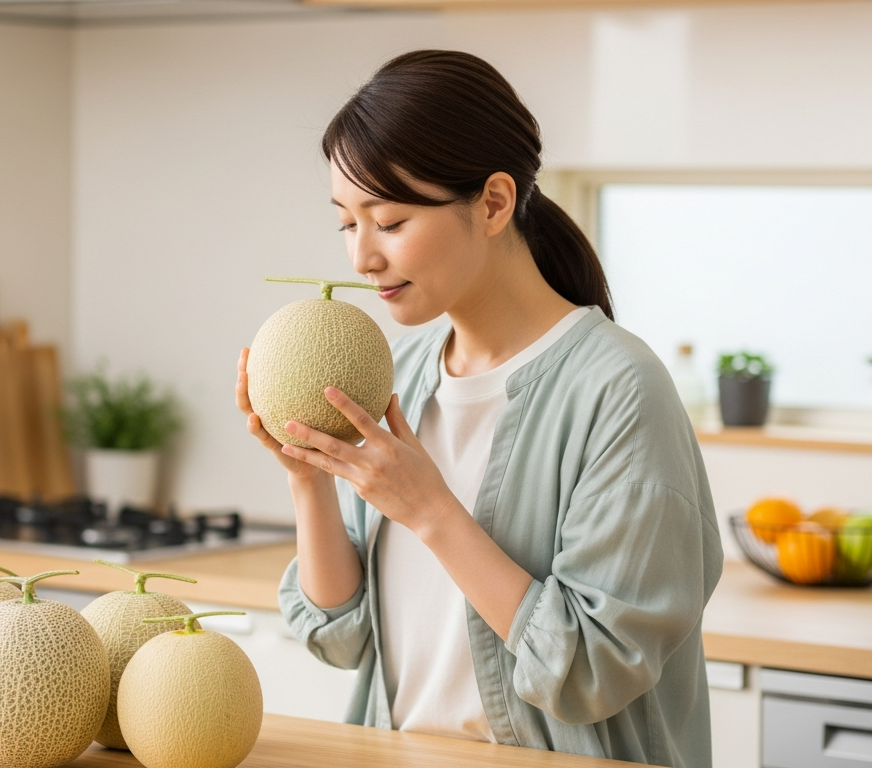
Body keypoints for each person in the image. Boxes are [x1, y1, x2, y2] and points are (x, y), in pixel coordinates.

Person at [234, 50, 722, 767]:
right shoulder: (393, 374)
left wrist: (431, 509)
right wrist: (306, 475)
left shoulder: (618, 390)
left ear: (493, 203)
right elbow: (340, 637)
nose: (362, 258)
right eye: (346, 223)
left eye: (390, 221)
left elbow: (594, 670)